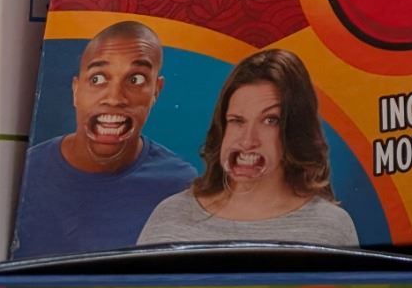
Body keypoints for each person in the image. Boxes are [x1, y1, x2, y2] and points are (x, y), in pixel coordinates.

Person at [11, 20, 197, 257]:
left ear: (156, 91)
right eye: (97, 79)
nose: (114, 98)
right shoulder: (21, 175)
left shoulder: (181, 187)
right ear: (76, 90)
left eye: (136, 80)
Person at [137, 48, 357, 245]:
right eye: (237, 120)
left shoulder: (329, 227)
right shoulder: (170, 216)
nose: (247, 141)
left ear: (296, 131)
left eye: (270, 121)